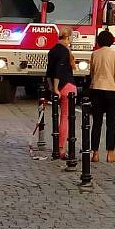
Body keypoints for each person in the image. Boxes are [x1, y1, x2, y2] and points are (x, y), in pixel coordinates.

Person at [88, 30, 115, 163]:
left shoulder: (94, 54)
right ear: (111, 41)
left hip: (97, 89)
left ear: (98, 41)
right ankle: (110, 153)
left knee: (97, 123)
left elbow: (92, 73)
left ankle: (95, 153)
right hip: (111, 91)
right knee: (111, 123)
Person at [46, 27, 76, 159]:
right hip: (67, 86)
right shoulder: (65, 51)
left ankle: (58, 146)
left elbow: (49, 72)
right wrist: (57, 88)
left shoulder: (52, 50)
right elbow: (59, 70)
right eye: (72, 37)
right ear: (68, 37)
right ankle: (61, 148)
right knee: (66, 118)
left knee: (59, 117)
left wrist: (52, 87)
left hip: (56, 86)